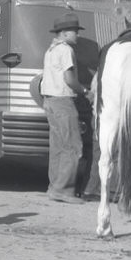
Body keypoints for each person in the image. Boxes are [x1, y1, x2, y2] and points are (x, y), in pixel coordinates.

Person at [40, 12, 87, 203]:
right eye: (75, 31)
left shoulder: (50, 50)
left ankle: (54, 187)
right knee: (73, 146)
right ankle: (64, 189)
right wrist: (85, 90)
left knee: (58, 147)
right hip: (63, 101)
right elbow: (69, 79)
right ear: (65, 33)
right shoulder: (66, 50)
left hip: (50, 101)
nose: (77, 35)